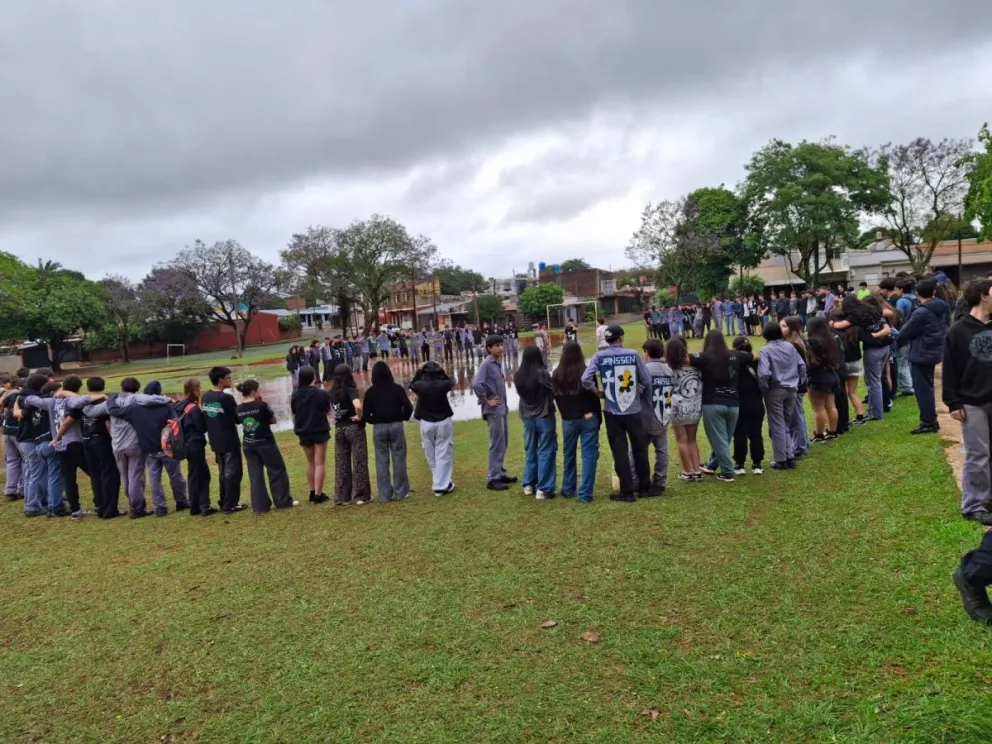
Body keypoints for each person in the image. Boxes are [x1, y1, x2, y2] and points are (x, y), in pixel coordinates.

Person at [582, 325, 659, 502]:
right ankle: (645, 487)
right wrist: (636, 393)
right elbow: (646, 380)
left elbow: (585, 379)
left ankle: (627, 491)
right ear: (621, 338)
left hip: (612, 410)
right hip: (633, 410)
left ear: (606, 340)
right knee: (640, 449)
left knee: (620, 451)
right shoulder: (632, 355)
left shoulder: (599, 356)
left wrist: (599, 393)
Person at [943, 278, 992, 524]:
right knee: (978, 454)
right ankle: (974, 504)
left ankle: (989, 499)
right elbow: (950, 368)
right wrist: (953, 402)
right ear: (984, 295)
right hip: (973, 402)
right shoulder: (958, 330)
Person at [693, 331, 752, 482]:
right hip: (733, 403)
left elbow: (685, 358)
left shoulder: (705, 357)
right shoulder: (735, 355)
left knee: (718, 439)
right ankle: (712, 465)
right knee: (724, 437)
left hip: (713, 402)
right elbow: (754, 356)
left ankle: (727, 471)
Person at [896, 277, 950, 435]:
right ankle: (931, 419)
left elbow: (905, 332)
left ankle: (928, 422)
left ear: (917, 292)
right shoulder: (942, 305)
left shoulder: (921, 311)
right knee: (927, 386)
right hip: (935, 348)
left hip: (922, 351)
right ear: (933, 291)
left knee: (923, 390)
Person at [234, 379, 296, 514]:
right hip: (265, 443)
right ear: (252, 391)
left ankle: (260, 506)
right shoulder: (262, 405)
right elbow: (273, 420)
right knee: (277, 471)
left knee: (255, 475)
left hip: (249, 444)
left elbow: (240, 422)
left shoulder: (238, 408)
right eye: (258, 389)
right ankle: (283, 501)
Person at [553, 341, 601, 503]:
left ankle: (568, 488)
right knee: (589, 455)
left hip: (569, 420)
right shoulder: (587, 372)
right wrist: (598, 419)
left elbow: (557, 398)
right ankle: (585, 493)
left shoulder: (557, 374)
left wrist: (565, 413)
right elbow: (595, 398)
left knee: (569, 454)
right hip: (588, 417)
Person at [69, 377, 121, 518]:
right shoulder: (103, 402)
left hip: (86, 440)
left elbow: (70, 418)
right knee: (109, 474)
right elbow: (107, 423)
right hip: (102, 440)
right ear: (103, 386)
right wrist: (114, 439)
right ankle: (110, 510)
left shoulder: (82, 403)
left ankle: (100, 506)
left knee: (95, 475)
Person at [362, 361, 413, 503]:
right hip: (396, 424)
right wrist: (403, 417)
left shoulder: (370, 392)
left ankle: (385, 495)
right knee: (399, 458)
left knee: (381, 460)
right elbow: (408, 407)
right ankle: (400, 491)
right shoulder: (397, 389)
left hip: (379, 427)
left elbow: (366, 415)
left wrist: (374, 421)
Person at [759, 322, 806, 470]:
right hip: (792, 388)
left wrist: (764, 389)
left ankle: (780, 459)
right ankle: (789, 455)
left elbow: (764, 373)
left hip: (776, 389)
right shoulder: (790, 346)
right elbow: (802, 365)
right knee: (785, 423)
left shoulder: (765, 350)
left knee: (777, 424)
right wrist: (799, 381)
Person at [473, 334, 517, 491]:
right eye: (496, 345)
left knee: (503, 442)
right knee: (496, 443)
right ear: (489, 348)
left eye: (501, 345)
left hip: (502, 408)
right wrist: (486, 400)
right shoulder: (486, 364)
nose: (500, 348)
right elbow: (477, 384)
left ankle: (500, 472)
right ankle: (493, 478)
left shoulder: (497, 363)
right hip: (494, 410)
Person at [14, 374, 63, 517]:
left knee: (33, 473)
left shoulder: (24, 396)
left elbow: (19, 412)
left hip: (26, 439)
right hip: (30, 439)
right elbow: (20, 413)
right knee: (35, 473)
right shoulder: (31, 399)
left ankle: (39, 502)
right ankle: (31, 506)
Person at [139, 380, 190, 514]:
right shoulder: (167, 406)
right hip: (167, 445)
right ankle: (181, 501)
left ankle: (160, 506)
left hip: (150, 446)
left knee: (154, 476)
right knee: (175, 475)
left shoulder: (139, 407)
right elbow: (175, 422)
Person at [201, 366, 247, 514]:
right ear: (220, 379)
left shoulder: (206, 397)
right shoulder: (226, 398)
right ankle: (230, 504)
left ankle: (224, 500)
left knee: (223, 473)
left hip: (215, 440)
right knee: (233, 473)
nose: (230, 380)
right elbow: (237, 419)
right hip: (229, 440)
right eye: (228, 377)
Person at [514, 346, 558, 499]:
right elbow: (554, 390)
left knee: (530, 450)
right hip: (544, 416)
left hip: (527, 417)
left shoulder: (518, 375)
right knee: (546, 450)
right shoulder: (542, 374)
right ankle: (544, 488)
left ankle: (528, 484)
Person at [328, 363, 372, 505]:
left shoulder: (332, 391)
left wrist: (334, 418)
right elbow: (358, 405)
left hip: (339, 429)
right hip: (353, 427)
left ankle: (342, 496)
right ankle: (360, 495)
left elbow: (331, 411)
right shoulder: (350, 389)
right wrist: (359, 416)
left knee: (342, 463)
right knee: (359, 461)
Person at [410, 361, 456, 496]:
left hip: (426, 422)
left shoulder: (420, 385)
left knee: (431, 455)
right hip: (443, 421)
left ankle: (441, 483)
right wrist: (441, 369)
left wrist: (419, 369)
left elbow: (412, 384)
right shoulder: (443, 384)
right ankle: (441, 485)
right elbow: (450, 381)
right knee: (443, 453)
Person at [290, 365, 332, 504]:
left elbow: (295, 411)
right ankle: (318, 494)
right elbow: (327, 410)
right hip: (319, 429)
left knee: (311, 462)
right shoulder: (321, 393)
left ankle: (312, 491)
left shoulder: (295, 394)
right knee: (320, 463)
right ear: (313, 377)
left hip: (303, 431)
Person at [636, 338, 672, 491]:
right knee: (662, 450)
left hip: (645, 416)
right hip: (663, 414)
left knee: (637, 450)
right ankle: (660, 481)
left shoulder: (644, 370)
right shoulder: (669, 370)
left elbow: (637, 392)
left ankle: (635, 479)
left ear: (646, 353)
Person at [666, 336, 702, 481]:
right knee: (692, 439)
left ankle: (687, 471)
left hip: (677, 407)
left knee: (682, 439)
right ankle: (697, 470)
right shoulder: (696, 365)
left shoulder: (668, 368)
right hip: (695, 405)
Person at [178, 378, 215, 516]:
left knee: (195, 473)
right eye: (199, 388)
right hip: (195, 443)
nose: (200, 390)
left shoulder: (178, 405)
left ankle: (197, 505)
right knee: (201, 475)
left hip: (184, 444)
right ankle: (202, 506)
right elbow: (201, 428)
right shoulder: (193, 409)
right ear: (194, 390)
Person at [804, 317, 842, 443]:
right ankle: (832, 431)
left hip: (818, 377)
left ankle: (819, 435)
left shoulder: (811, 342)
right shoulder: (832, 339)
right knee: (831, 405)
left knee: (818, 408)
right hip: (832, 374)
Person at [731, 337, 764, 475]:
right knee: (756, 433)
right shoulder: (758, 363)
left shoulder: (733, 365)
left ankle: (740, 464)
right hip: (756, 402)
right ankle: (757, 463)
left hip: (740, 403)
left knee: (740, 434)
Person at [780, 316, 810, 460]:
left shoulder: (795, 345)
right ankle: (803, 443)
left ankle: (799, 447)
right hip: (797, 383)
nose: (781, 329)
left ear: (791, 328)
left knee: (795, 416)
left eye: (784, 326)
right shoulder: (794, 342)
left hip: (795, 384)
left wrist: (798, 383)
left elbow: (800, 367)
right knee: (798, 413)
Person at [0, 376, 23, 501]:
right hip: (17, 432)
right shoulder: (21, 395)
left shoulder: (8, 395)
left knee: (12, 461)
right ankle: (22, 489)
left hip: (6, 431)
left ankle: (10, 489)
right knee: (25, 461)